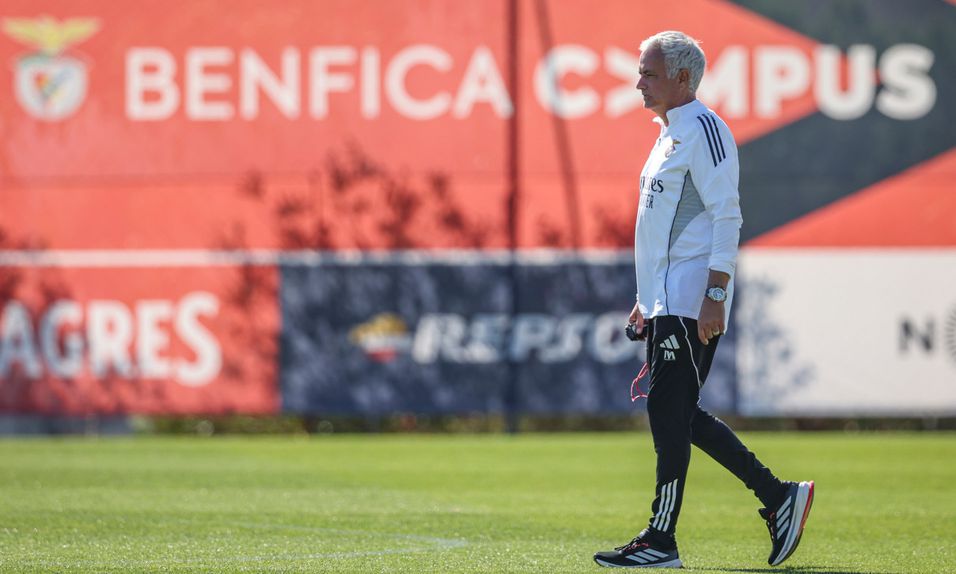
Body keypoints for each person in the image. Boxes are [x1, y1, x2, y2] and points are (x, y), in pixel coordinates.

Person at [593, 31, 814, 569]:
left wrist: (715, 294)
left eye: (648, 72)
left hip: (695, 302)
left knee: (670, 414)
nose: (638, 81)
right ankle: (779, 496)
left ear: (682, 78)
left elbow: (726, 216)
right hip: (670, 301)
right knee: (678, 413)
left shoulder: (706, 129)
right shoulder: (668, 133)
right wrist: (647, 299)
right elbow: (663, 231)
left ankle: (661, 539)